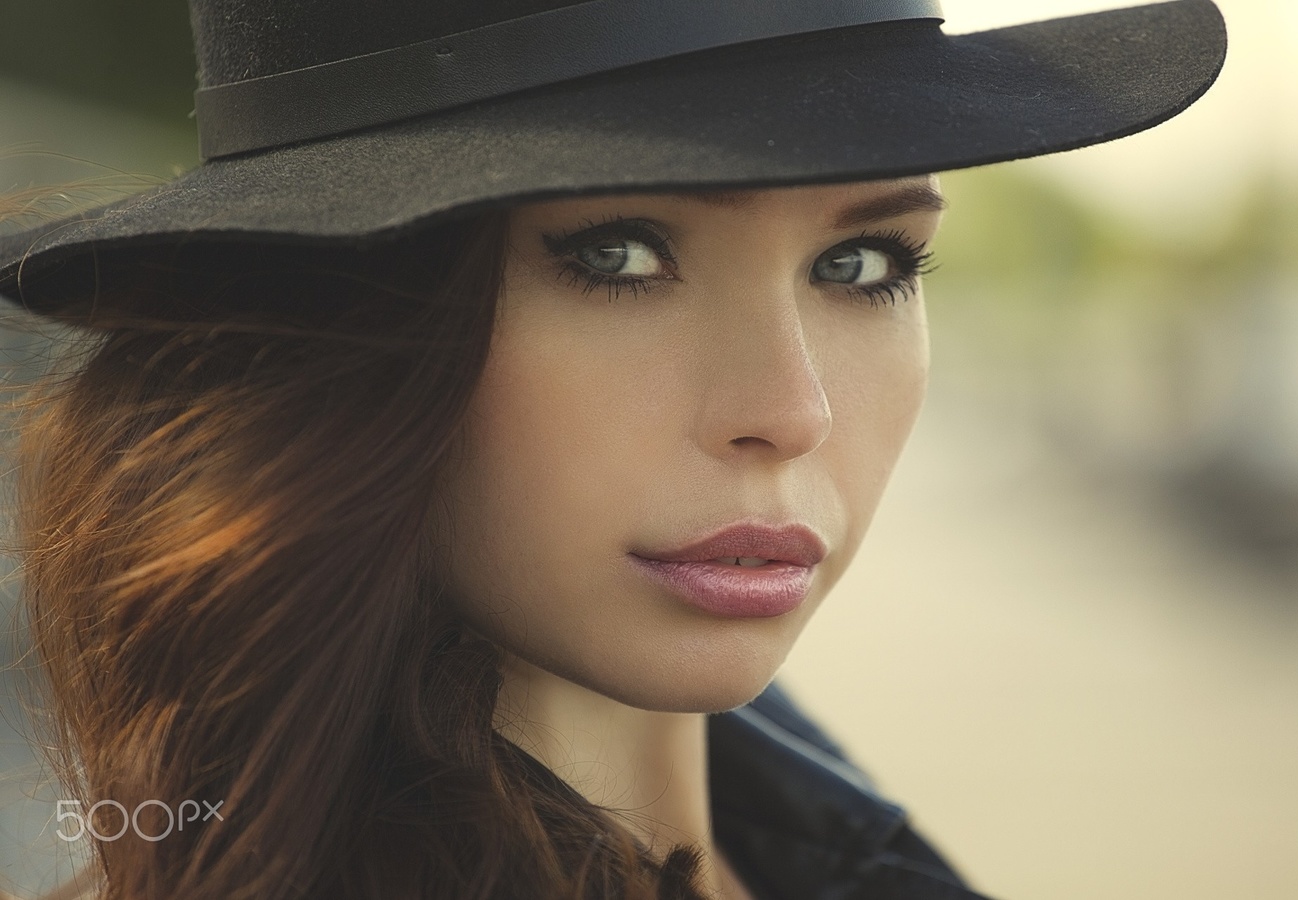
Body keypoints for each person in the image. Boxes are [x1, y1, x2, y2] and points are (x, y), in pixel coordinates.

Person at [0, 2, 1226, 898]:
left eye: (863, 265)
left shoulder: (820, 838)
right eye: (619, 255)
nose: (789, 411)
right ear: (337, 322)